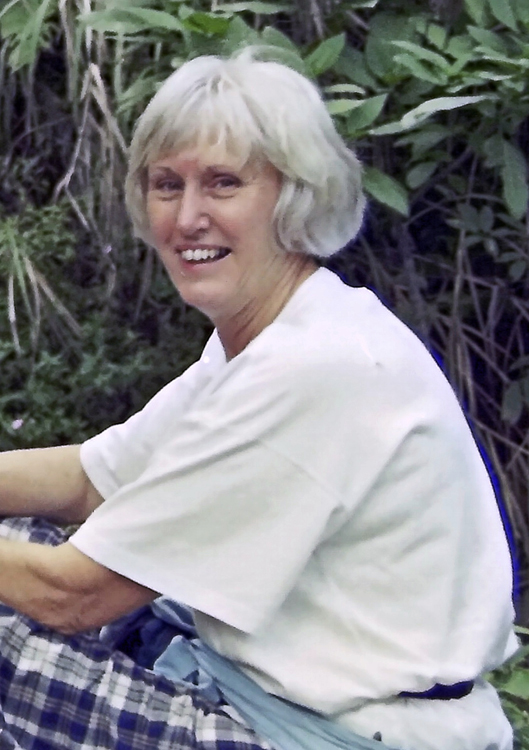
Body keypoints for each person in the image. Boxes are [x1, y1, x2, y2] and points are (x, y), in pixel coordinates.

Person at [0, 48, 517, 750]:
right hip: (269, 692)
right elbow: (93, 480)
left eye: (223, 184)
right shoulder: (283, 332)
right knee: (22, 541)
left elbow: (75, 594)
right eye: (166, 185)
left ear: (294, 196)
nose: (187, 217)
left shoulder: (315, 365)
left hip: (341, 734)